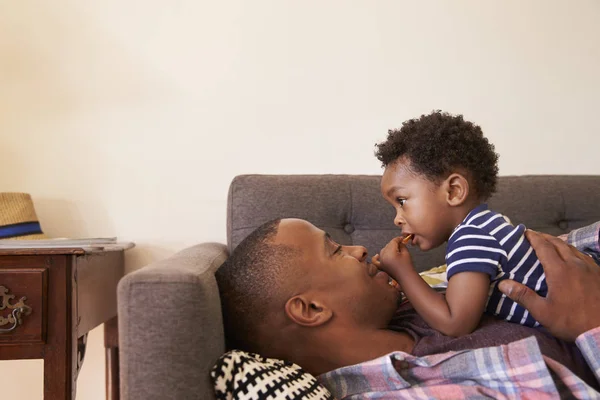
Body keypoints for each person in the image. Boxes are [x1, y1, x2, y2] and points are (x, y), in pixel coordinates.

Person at [215, 217, 600, 398]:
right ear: (312, 308)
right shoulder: (414, 391)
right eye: (335, 250)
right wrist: (591, 324)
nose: (360, 248)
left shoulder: (419, 299)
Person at [373, 110, 598, 337]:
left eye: (401, 201)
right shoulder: (489, 225)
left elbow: (455, 323)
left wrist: (404, 273)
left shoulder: (472, 237)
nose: (397, 218)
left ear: (454, 191)